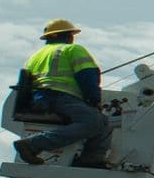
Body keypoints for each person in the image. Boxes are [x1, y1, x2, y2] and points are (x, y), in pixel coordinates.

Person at [13, 18, 112, 168]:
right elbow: (88, 75)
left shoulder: (34, 57)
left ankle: (91, 159)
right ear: (67, 36)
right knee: (95, 121)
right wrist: (94, 100)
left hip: (40, 100)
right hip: (59, 96)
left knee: (102, 121)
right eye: (71, 34)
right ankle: (33, 144)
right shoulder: (72, 50)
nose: (72, 38)